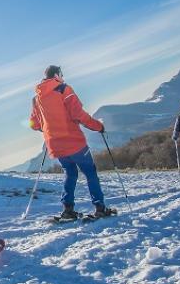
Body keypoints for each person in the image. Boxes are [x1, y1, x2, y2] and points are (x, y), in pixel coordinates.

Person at [29, 65, 115, 219]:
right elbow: (79, 115)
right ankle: (100, 208)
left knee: (70, 173)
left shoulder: (36, 98)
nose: (63, 77)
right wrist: (99, 126)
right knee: (90, 172)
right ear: (56, 75)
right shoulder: (63, 89)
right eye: (62, 74)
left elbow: (34, 124)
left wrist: (48, 128)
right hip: (74, 142)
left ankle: (68, 210)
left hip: (55, 145)